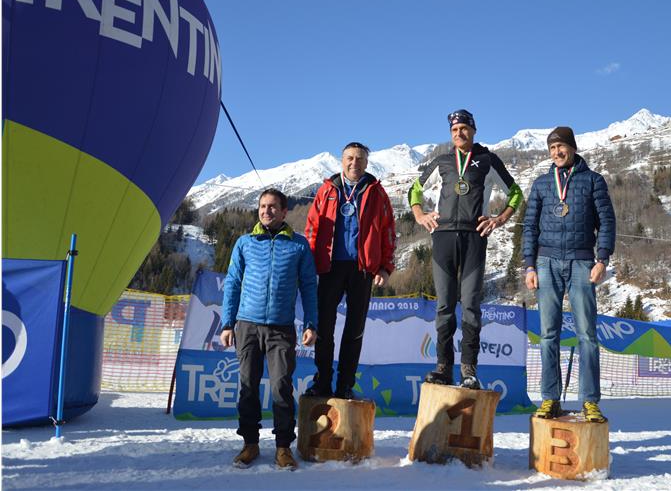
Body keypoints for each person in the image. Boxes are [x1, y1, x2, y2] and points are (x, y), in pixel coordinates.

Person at [408, 109, 524, 389]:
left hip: (475, 237)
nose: (459, 133)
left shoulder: (488, 160)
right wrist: (420, 215)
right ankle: (443, 368)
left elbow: (516, 193)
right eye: (454, 130)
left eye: (464, 128)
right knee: (444, 306)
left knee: (471, 306)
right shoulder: (442, 162)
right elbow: (414, 190)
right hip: (443, 237)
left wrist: (499, 219)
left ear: (473, 130)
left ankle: (469, 370)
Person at [522, 126, 616, 423]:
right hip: (546, 262)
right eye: (552, 148)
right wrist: (529, 265)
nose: (557, 152)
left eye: (561, 147)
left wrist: (602, 259)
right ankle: (550, 398)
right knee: (548, 334)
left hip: (581, 262)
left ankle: (589, 401)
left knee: (587, 335)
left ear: (573, 148)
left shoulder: (593, 181)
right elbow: (529, 227)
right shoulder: (541, 184)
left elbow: (606, 221)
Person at [219, 188, 318, 470]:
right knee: (248, 387)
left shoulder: (299, 245)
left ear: (285, 211)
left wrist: (311, 323)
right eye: (262, 206)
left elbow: (309, 287)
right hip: (247, 326)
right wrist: (228, 323)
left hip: (281, 329)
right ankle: (250, 444)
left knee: (281, 388)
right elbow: (232, 283)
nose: (266, 211)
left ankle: (283, 448)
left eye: (273, 207)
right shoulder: (245, 243)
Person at [304, 142, 397, 399]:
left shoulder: (376, 192)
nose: (354, 163)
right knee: (324, 327)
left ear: (366, 163)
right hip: (329, 266)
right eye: (350, 158)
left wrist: (385, 267)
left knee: (354, 331)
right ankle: (322, 381)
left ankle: (345, 385)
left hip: (362, 268)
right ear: (342, 160)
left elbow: (389, 231)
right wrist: (309, 264)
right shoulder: (327, 190)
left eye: (359, 159)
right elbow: (312, 227)